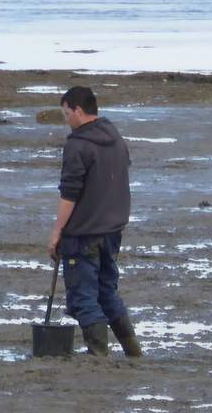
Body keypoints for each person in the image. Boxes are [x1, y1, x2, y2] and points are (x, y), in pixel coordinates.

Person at [47, 86, 142, 358]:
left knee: (83, 297)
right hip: (112, 230)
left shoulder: (77, 145)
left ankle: (98, 356)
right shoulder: (114, 136)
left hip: (84, 233)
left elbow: (69, 193)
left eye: (66, 113)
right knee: (106, 292)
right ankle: (133, 352)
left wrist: (57, 233)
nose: (66, 119)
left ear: (78, 110)